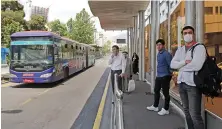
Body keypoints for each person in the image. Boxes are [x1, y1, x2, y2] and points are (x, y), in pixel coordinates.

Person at [170, 26, 205, 129]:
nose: (187, 35)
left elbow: (197, 65)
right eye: (185, 33)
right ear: (182, 35)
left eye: (189, 32)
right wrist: (184, 62)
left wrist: (180, 67)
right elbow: (172, 64)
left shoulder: (199, 47)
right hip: (181, 83)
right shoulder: (180, 49)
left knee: (195, 115)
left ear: (193, 34)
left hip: (193, 85)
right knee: (186, 111)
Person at [147, 39, 172, 116]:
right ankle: (155, 106)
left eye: (160, 44)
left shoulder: (167, 54)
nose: (158, 46)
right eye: (157, 45)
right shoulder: (158, 54)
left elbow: (171, 65)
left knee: (165, 93)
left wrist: (170, 75)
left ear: (163, 45)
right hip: (159, 76)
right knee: (156, 90)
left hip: (165, 76)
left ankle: (166, 109)